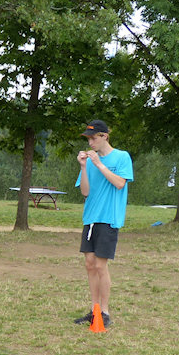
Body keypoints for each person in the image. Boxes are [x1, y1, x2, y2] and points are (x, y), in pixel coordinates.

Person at [74, 120, 134, 328]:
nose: (90, 143)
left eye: (93, 138)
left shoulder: (122, 157)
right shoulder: (89, 161)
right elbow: (85, 192)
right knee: (90, 264)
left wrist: (99, 164)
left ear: (105, 136)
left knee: (101, 265)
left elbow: (119, 183)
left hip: (109, 218)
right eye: (88, 139)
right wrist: (84, 167)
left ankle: (105, 312)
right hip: (90, 218)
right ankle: (94, 310)